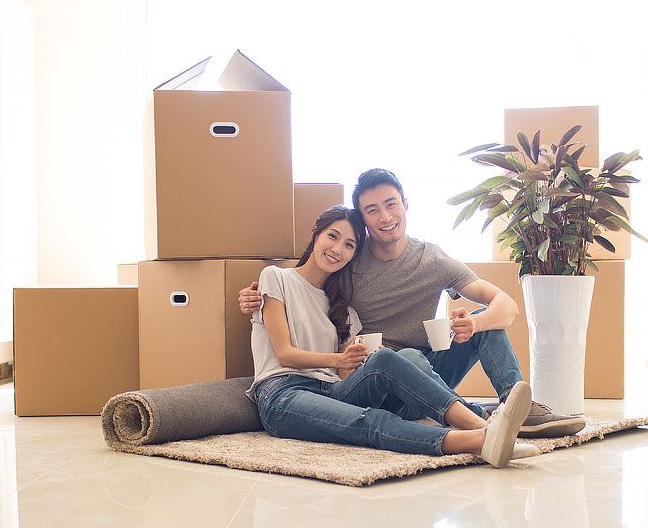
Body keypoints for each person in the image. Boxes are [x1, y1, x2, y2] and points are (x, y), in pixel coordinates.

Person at [241, 168, 586, 437]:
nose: (385, 216)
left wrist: (474, 324)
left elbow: (506, 305)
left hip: (430, 371)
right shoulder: (349, 259)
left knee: (485, 322)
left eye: (391, 204)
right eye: (372, 210)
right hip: (378, 379)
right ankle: (479, 416)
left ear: (405, 205)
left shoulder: (432, 260)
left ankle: (517, 408)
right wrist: (255, 296)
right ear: (363, 221)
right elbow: (306, 278)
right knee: (403, 357)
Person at [248, 204, 534, 467]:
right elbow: (285, 354)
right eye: (332, 237)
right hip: (283, 392)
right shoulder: (276, 277)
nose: (337, 249)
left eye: (348, 245)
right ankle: (481, 436)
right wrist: (341, 356)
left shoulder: (343, 308)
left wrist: (358, 360)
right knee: (370, 421)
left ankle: (487, 425)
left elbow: (342, 374)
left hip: (331, 390)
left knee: (385, 358)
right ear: (316, 234)